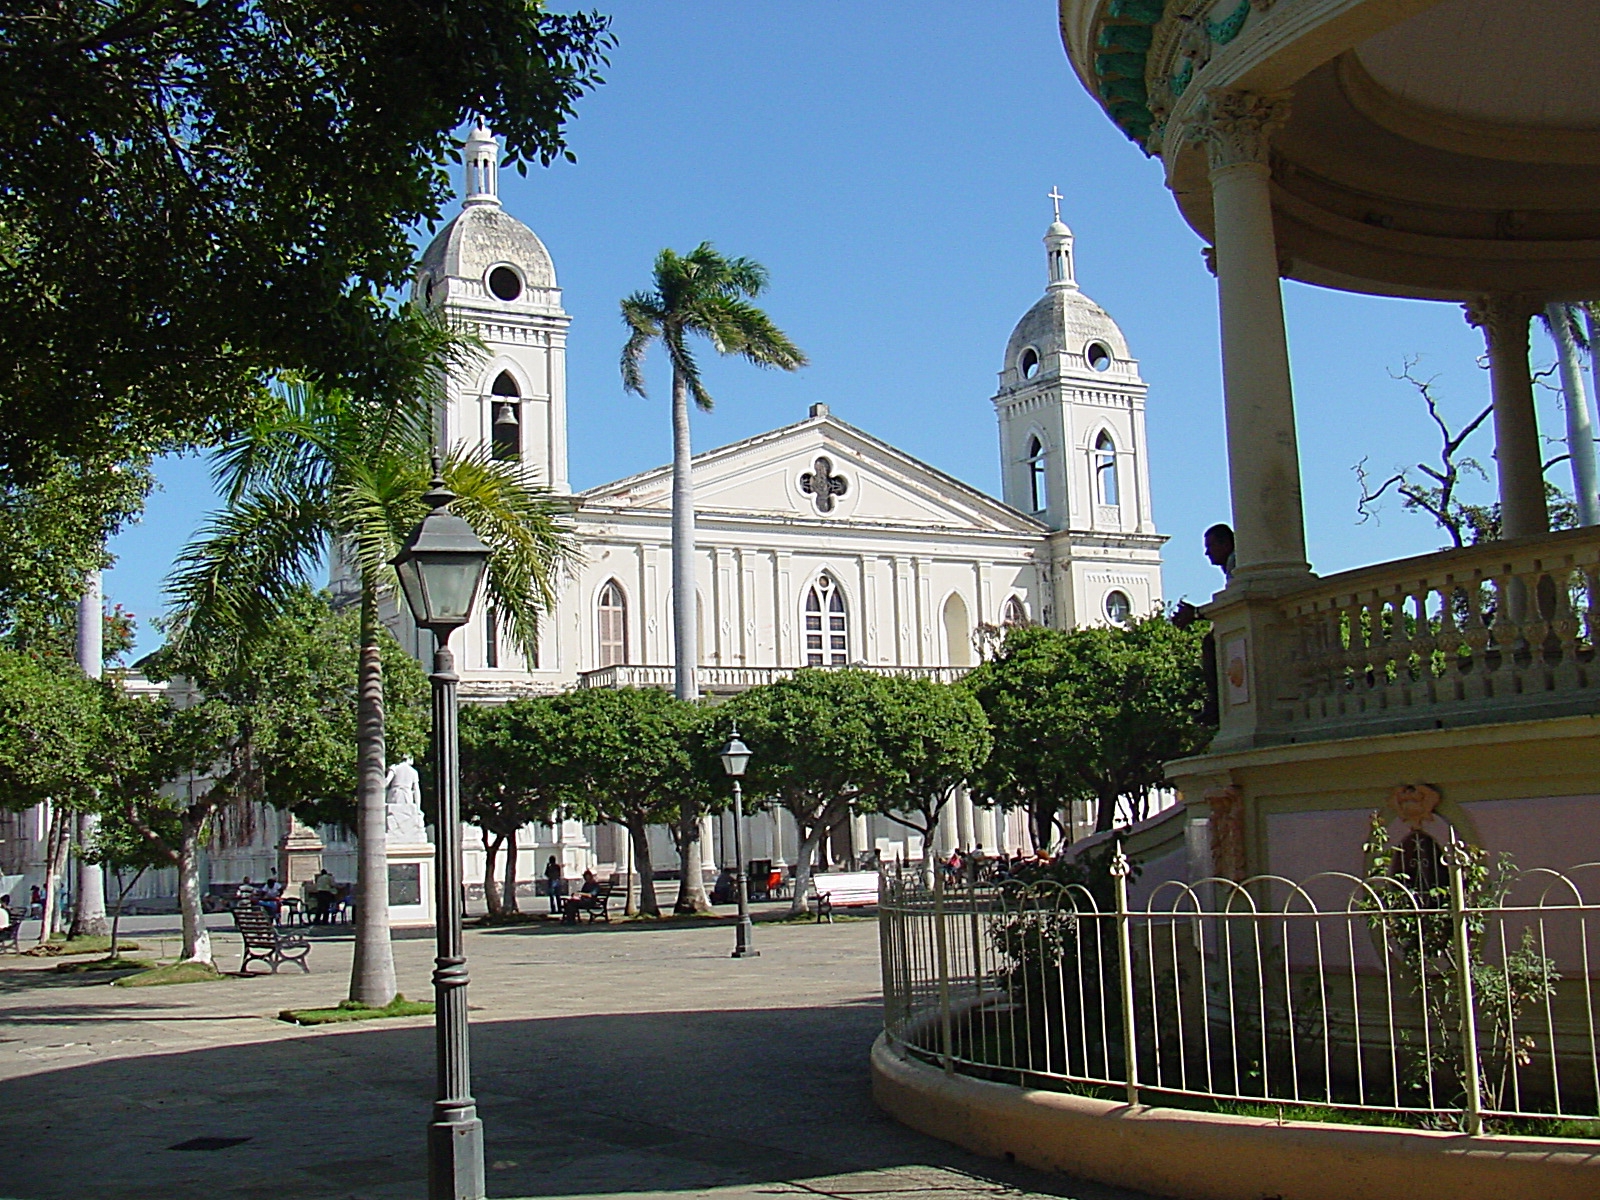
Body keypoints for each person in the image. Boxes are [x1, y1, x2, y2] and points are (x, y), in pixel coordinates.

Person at [1173, 522, 1232, 726]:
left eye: (1210, 546)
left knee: (1211, 643)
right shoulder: (1232, 564)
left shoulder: (1236, 563)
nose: (1207, 553)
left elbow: (1233, 601)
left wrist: (1196, 614)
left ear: (1225, 544)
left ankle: (1216, 703)